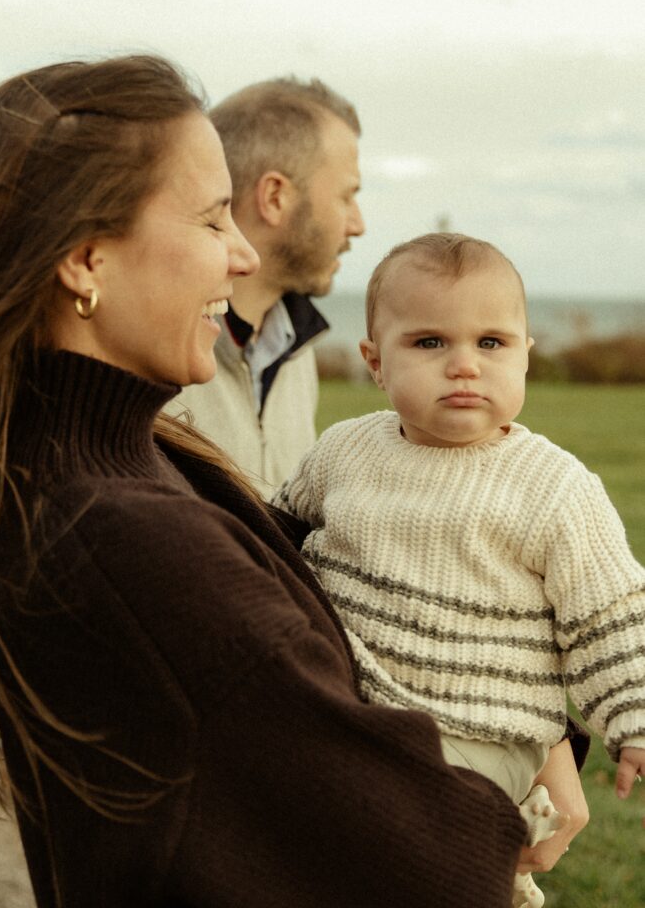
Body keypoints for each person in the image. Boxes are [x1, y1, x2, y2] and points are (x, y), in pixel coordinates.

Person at [0, 55, 585, 908]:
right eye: (214, 219)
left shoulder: (130, 456)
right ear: (86, 258)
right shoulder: (123, 534)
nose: (241, 253)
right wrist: (505, 789)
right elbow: (424, 857)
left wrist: (533, 722)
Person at [273, 231, 645, 906]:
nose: (464, 366)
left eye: (491, 343)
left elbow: (609, 615)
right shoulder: (343, 452)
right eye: (429, 343)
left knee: (418, 833)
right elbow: (274, 536)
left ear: (526, 357)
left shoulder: (554, 488)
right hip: (354, 705)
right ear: (374, 362)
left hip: (480, 729)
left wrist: (633, 715)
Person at [165, 76, 365, 496]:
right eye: (346, 197)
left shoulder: (297, 348)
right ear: (275, 197)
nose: (358, 225)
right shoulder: (163, 355)